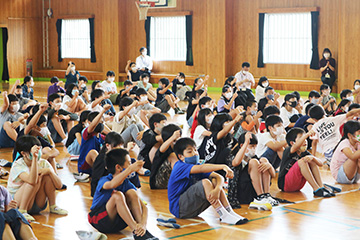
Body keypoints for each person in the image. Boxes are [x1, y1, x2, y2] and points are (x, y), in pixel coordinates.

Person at [169, 137, 248, 225]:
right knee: (206, 182)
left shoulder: (196, 165)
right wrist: (223, 166)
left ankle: (229, 212)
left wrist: (217, 189)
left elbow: (219, 177)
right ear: (181, 157)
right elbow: (202, 168)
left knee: (214, 181)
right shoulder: (180, 166)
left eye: (195, 150)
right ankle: (223, 215)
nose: (195, 153)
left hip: (193, 209)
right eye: (190, 152)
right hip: (179, 209)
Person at [88, 149, 158, 239]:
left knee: (132, 193)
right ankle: (137, 232)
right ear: (118, 167)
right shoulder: (104, 180)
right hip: (98, 220)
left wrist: (142, 224)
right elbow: (112, 184)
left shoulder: (126, 183)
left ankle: (141, 232)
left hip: (118, 223)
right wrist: (130, 169)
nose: (131, 165)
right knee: (118, 195)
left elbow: (144, 208)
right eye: (129, 163)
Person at [8, 135, 67, 222]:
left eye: (38, 150)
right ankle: (22, 211)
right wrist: (35, 159)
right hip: (18, 202)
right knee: (35, 178)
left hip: (37, 203)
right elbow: (32, 180)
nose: (37, 153)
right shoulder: (18, 165)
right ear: (23, 153)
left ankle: (53, 206)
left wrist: (50, 172)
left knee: (47, 176)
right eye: (33, 151)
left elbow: (59, 185)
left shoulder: (43, 163)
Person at [279, 128, 334, 197]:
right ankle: (316, 189)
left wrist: (313, 158)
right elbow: (296, 146)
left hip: (298, 186)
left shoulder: (304, 153)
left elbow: (320, 164)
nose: (305, 141)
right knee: (303, 161)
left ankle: (320, 187)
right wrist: (307, 134)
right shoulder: (288, 150)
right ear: (292, 143)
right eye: (301, 138)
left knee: (311, 160)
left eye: (305, 139)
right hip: (285, 185)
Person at [228, 132, 276, 210]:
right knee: (254, 162)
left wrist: (269, 166)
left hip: (253, 189)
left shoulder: (254, 157)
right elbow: (235, 163)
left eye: (255, 146)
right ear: (242, 146)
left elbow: (273, 175)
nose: (254, 149)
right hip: (241, 191)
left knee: (264, 160)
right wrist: (246, 142)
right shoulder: (234, 155)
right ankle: (260, 196)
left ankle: (266, 195)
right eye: (252, 146)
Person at [78, 105, 111, 175]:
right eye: (98, 122)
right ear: (89, 122)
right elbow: (92, 125)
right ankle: (104, 172)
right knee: (93, 152)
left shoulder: (102, 137)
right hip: (85, 167)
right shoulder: (87, 134)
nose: (100, 125)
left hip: (96, 166)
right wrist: (103, 111)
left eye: (102, 123)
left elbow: (112, 135)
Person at [91, 132, 125, 197]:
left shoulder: (115, 156)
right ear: (107, 146)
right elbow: (97, 180)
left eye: (121, 145)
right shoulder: (102, 159)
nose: (120, 148)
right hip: (101, 191)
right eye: (116, 146)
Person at [150, 124, 181, 189]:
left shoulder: (176, 148)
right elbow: (161, 150)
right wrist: (172, 137)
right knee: (173, 156)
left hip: (167, 180)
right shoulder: (165, 148)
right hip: (157, 182)